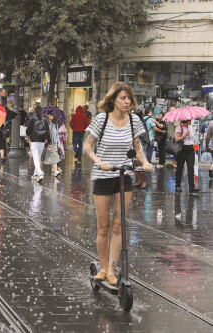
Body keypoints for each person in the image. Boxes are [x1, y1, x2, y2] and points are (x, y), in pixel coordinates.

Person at [83, 82, 152, 286]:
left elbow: (137, 149)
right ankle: (102, 268)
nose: (127, 101)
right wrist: (99, 162)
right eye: (123, 98)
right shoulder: (102, 120)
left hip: (124, 176)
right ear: (113, 99)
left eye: (129, 98)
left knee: (118, 225)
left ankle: (112, 269)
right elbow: (87, 146)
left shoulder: (134, 121)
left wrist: (146, 162)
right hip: (103, 177)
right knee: (103, 227)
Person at [175, 119, 200, 193]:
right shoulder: (179, 128)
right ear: (186, 120)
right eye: (189, 119)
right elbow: (176, 139)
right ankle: (178, 185)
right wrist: (185, 135)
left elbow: (192, 138)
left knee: (191, 167)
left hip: (190, 148)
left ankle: (192, 186)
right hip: (182, 148)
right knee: (180, 167)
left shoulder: (190, 127)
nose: (191, 120)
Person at [26, 105, 49, 181]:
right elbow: (48, 132)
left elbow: (28, 131)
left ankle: (40, 173)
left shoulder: (32, 119)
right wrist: (49, 141)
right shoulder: (45, 120)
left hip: (34, 141)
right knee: (38, 157)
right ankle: (35, 174)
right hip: (42, 141)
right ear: (42, 111)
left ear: (35, 111)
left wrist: (28, 134)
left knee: (35, 158)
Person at [44, 108, 62, 177]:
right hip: (48, 142)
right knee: (48, 156)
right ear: (47, 115)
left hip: (54, 142)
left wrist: (58, 144)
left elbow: (57, 134)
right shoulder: (45, 123)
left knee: (54, 155)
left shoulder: (55, 124)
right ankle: (39, 171)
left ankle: (55, 171)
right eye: (50, 115)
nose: (52, 116)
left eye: (53, 115)